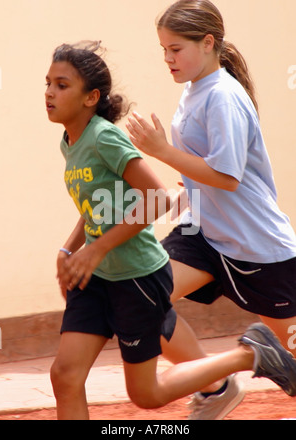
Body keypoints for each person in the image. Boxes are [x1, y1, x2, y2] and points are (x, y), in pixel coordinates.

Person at [45, 41, 296, 421]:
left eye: (61, 85)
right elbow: (97, 201)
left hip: (151, 271)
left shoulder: (104, 137)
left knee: (146, 393)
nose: (49, 92)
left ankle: (250, 356)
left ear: (90, 97)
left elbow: (161, 197)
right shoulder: (71, 142)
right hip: (104, 275)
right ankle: (219, 388)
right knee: (65, 376)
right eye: (47, 83)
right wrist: (70, 250)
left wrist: (94, 251)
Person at [126, 0, 296, 418]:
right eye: (163, 49)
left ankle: (262, 356)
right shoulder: (194, 91)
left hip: (256, 247)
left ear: (207, 43)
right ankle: (217, 387)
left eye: (175, 49)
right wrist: (182, 191)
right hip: (202, 232)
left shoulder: (222, 96)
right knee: (138, 293)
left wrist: (161, 151)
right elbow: (206, 172)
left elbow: (227, 176)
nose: (167, 58)